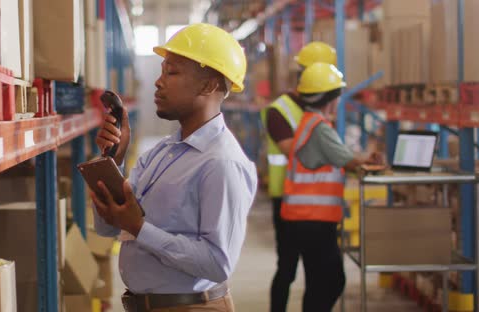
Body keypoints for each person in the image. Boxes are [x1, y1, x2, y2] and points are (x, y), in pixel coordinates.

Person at [91, 23, 258, 312]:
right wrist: (112, 162)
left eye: (172, 72)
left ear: (208, 85)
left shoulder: (221, 162)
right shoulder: (160, 153)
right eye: (162, 70)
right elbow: (108, 229)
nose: (158, 82)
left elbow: (218, 264)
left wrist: (139, 227)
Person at [279, 62, 382, 311]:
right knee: (331, 280)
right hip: (313, 219)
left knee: (318, 282)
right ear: (331, 99)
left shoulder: (309, 122)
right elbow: (345, 159)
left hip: (305, 219)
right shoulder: (319, 127)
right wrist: (367, 159)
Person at [261, 41, 338, 312]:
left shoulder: (319, 110)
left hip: (318, 205)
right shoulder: (279, 111)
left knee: (323, 276)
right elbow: (296, 152)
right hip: (287, 201)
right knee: (288, 269)